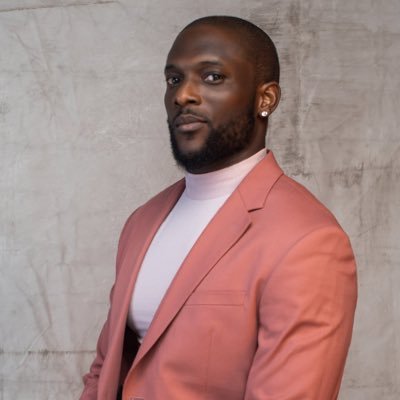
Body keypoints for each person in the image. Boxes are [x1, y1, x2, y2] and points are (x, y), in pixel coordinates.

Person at [80, 15, 357, 400]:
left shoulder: (308, 241)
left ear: (265, 99)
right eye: (174, 79)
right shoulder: (142, 222)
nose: (183, 95)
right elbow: (106, 369)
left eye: (212, 77)